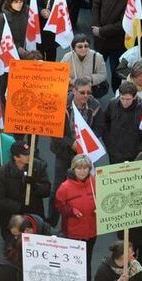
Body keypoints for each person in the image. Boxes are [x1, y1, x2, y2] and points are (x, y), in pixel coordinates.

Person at [49, 77, 103, 226]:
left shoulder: (95, 105)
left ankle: (83, 220)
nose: (86, 96)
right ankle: (51, 223)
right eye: (82, 92)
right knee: (57, 187)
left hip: (85, 154)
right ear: (73, 90)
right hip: (64, 153)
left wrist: (88, 140)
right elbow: (55, 132)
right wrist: (71, 143)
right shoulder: (61, 105)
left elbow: (100, 127)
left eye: (88, 92)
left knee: (85, 189)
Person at [55, 155, 98, 281]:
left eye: (85, 168)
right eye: (79, 168)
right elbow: (59, 206)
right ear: (73, 169)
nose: (82, 171)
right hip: (73, 231)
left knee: (88, 256)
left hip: (92, 229)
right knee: (74, 259)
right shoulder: (65, 187)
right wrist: (71, 210)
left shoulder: (94, 182)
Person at [0, 141, 51, 239]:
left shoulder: (39, 166)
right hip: (12, 219)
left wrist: (35, 186)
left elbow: (47, 190)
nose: (30, 156)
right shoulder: (2, 173)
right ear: (16, 157)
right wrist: (19, 207)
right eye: (25, 154)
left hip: (34, 216)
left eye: (30, 152)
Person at [95, 81, 142, 164]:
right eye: (122, 98)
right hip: (114, 152)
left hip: (134, 153)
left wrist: (140, 148)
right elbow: (105, 123)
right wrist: (109, 143)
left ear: (134, 97)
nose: (125, 102)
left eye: (128, 99)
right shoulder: (112, 104)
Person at [90, 0, 127, 92]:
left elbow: (125, 24)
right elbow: (96, 4)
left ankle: (119, 98)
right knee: (94, 69)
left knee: (117, 74)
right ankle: (90, 94)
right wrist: (95, 25)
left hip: (118, 44)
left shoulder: (132, 2)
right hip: (100, 41)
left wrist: (102, 31)